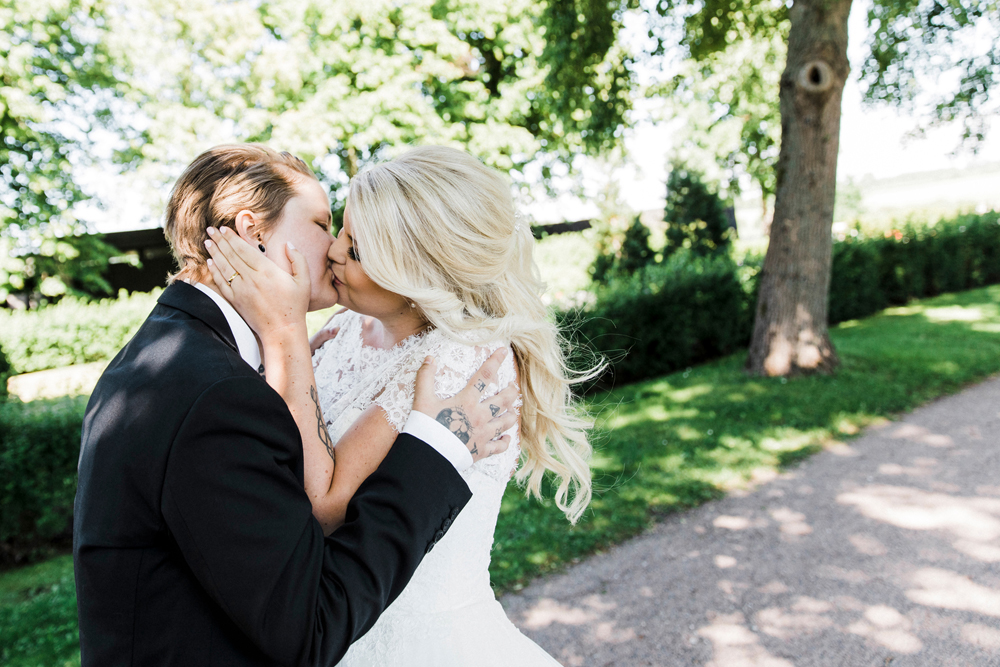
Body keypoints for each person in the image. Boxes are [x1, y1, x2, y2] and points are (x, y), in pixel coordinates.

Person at [73, 144, 517, 667]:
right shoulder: (214, 388)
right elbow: (305, 618)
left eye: (350, 238)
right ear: (252, 232)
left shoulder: (175, 355)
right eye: (323, 223)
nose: (332, 248)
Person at [204, 145, 598, 666]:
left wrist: (286, 335)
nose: (334, 252)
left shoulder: (461, 361)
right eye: (341, 230)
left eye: (359, 250)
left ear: (418, 274)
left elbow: (325, 506)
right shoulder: (348, 326)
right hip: (336, 620)